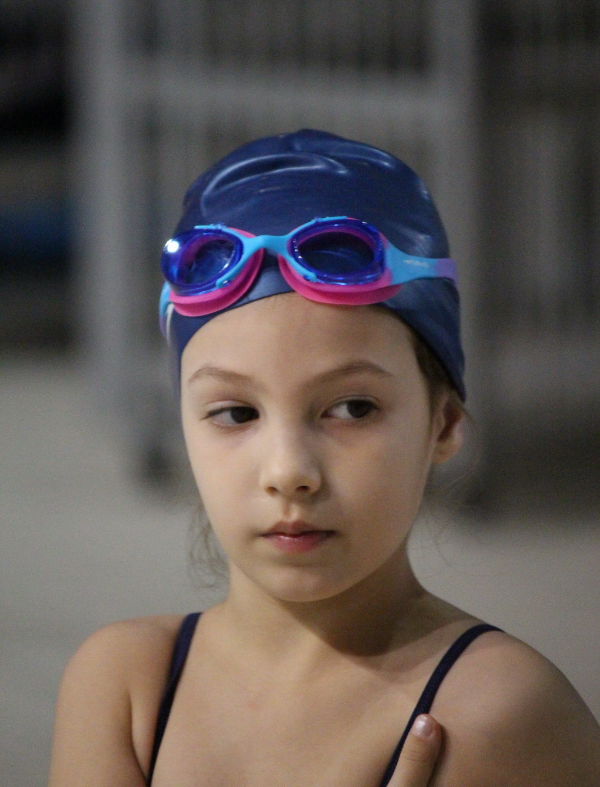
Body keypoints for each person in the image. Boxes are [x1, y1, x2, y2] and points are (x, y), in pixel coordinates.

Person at [48, 130, 600, 786]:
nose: (289, 472)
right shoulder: (122, 689)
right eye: (236, 414)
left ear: (444, 424)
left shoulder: (498, 712)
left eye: (353, 408)